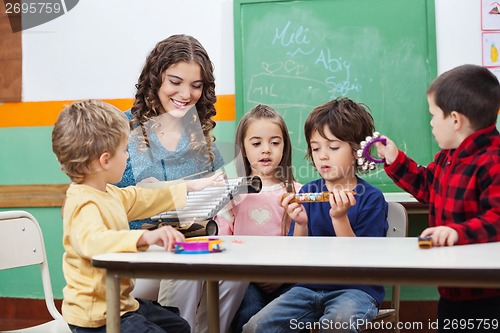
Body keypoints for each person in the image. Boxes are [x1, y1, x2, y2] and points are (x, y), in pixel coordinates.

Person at [51, 99, 221, 333]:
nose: (128, 157)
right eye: (124, 150)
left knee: (179, 326)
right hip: (97, 316)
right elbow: (93, 242)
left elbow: (142, 197)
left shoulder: (109, 193)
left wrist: (190, 187)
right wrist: (144, 238)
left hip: (121, 304)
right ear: (105, 160)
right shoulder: (83, 202)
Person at [114, 34, 244, 333]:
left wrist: (225, 195)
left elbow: (212, 211)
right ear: (155, 78)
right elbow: (107, 201)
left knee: (237, 273)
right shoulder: (122, 129)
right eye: (175, 81)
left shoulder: (203, 142)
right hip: (133, 256)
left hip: (184, 249)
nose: (186, 93)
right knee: (188, 270)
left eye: (196, 86)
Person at [243, 97, 388, 333]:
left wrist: (339, 218)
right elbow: (296, 257)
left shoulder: (371, 198)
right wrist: (300, 223)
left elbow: (361, 262)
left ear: (355, 152)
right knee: (255, 327)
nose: (322, 156)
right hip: (308, 288)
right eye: (315, 147)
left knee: (336, 326)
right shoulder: (308, 191)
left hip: (356, 289)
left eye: (332, 147)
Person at [375, 64, 500, 333]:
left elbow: (497, 219)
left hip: (489, 295)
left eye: (433, 115)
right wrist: (395, 160)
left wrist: (457, 233)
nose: (430, 122)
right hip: (451, 288)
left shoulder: (493, 160)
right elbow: (427, 186)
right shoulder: (449, 156)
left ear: (455, 120)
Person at [214, 104, 301, 332]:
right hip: (244, 279)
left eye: (275, 142)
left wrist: (282, 276)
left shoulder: (297, 193)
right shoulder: (232, 193)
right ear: (243, 147)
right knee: (247, 312)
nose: (266, 150)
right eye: (256, 143)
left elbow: (304, 244)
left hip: (287, 276)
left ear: (285, 147)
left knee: (291, 317)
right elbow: (222, 241)